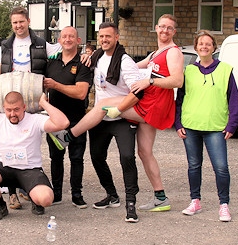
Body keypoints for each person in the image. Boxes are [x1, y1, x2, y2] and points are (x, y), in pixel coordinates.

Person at [52, 16, 185, 220]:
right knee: (144, 152)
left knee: (104, 107)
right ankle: (160, 197)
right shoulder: (155, 53)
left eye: (169, 28)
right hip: (150, 105)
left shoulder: (174, 52)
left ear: (174, 31)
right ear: (156, 28)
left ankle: (68, 136)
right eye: (162, 27)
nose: (164, 31)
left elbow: (177, 80)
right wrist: (89, 55)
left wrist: (149, 80)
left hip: (152, 105)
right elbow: (133, 65)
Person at [51, 21, 143, 222]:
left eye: (108, 36)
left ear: (116, 37)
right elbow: (85, 60)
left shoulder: (125, 61)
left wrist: (119, 109)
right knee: (96, 157)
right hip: (101, 118)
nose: (104, 40)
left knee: (127, 158)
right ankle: (112, 194)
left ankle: (131, 203)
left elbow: (137, 92)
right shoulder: (96, 57)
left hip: (121, 116)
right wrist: (86, 55)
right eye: (101, 37)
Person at [0, 92, 69, 221]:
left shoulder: (35, 119)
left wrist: (43, 103)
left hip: (30, 169)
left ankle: (35, 200)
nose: (12, 114)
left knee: (46, 199)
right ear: (4, 108)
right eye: (8, 110)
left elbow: (63, 123)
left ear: (24, 107)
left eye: (16, 109)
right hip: (4, 166)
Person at [0, 5, 61, 209]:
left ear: (28, 22)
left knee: (31, 145)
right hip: (11, 101)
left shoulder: (42, 44)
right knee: (9, 143)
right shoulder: (5, 46)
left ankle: (31, 187)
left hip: (33, 101)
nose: (18, 26)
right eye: (14, 22)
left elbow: (66, 50)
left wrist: (87, 53)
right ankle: (12, 193)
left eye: (21, 22)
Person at [174, 31, 238, 222]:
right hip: (191, 125)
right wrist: (178, 122)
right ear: (196, 47)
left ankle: (224, 204)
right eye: (201, 44)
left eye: (208, 44)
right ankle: (195, 200)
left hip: (216, 127)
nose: (204, 47)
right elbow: (180, 99)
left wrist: (232, 124)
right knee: (194, 165)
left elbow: (233, 99)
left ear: (214, 47)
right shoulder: (188, 71)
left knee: (221, 167)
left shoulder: (225, 70)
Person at [43, 26, 92, 208]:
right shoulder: (51, 63)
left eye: (72, 36)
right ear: (59, 41)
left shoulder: (83, 64)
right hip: (55, 121)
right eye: (64, 36)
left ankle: (77, 194)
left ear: (78, 41)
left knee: (76, 158)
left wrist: (56, 85)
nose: (68, 39)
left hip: (76, 120)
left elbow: (81, 92)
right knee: (56, 158)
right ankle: (56, 193)